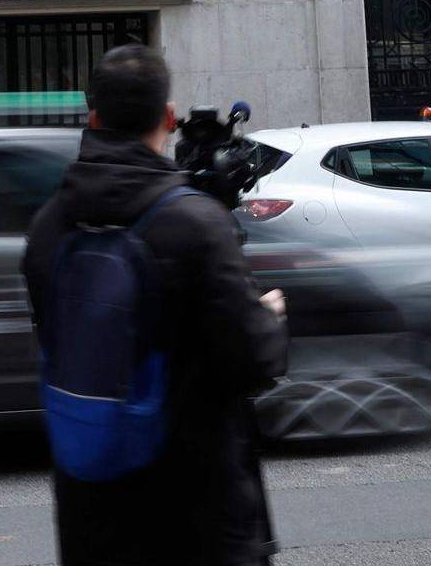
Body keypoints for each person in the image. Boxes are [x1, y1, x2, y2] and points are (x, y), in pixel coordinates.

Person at [21, 45, 290, 566]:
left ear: (92, 117)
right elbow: (255, 359)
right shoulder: (196, 224)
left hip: (91, 509)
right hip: (198, 512)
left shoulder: (48, 227)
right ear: (168, 118)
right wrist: (270, 317)